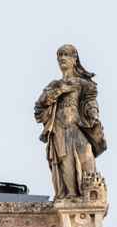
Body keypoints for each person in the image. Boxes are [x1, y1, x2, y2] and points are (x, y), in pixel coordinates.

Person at [33, 45, 106, 200]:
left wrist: (94, 116)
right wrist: (56, 92)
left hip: (78, 126)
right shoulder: (54, 85)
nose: (62, 58)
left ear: (74, 59)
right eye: (59, 55)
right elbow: (39, 106)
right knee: (65, 163)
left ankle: (89, 196)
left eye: (66, 55)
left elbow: (90, 102)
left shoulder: (83, 83)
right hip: (59, 128)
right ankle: (70, 196)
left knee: (86, 156)